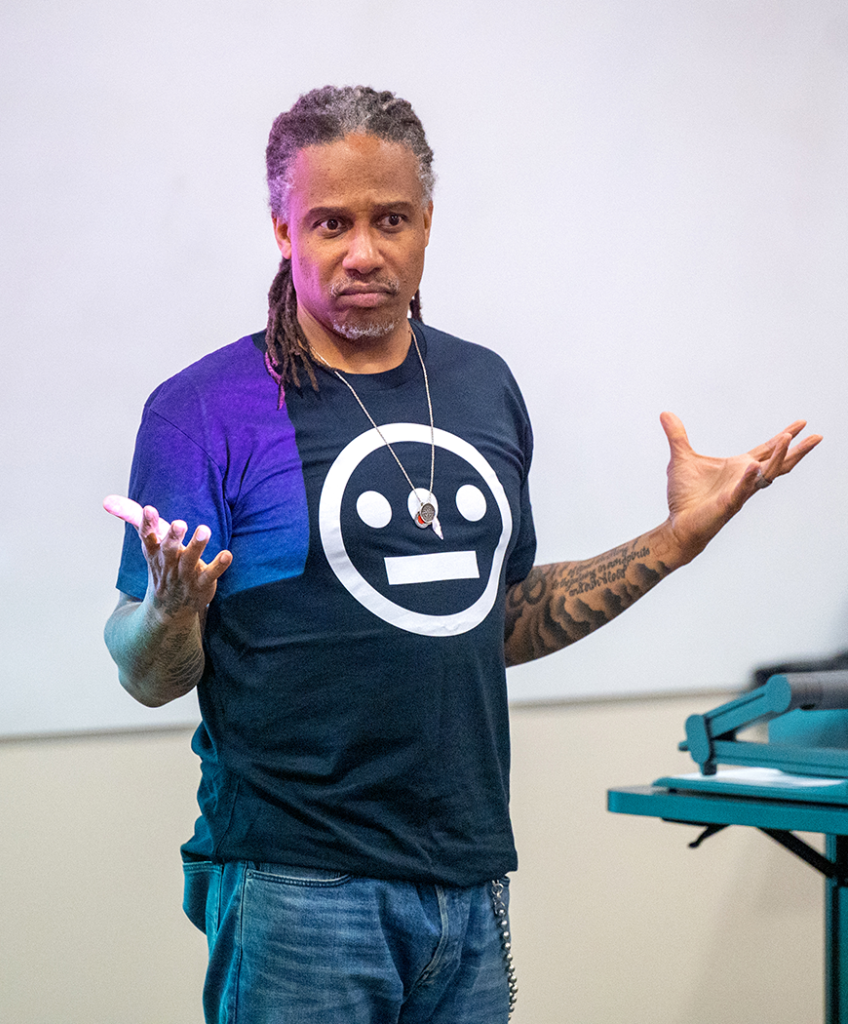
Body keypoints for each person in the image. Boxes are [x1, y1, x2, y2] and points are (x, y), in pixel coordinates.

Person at [103, 85, 821, 1024]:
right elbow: (146, 676)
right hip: (295, 883)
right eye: (329, 223)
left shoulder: (481, 386)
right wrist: (170, 608)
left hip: (469, 878)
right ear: (283, 230)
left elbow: (498, 617)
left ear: (427, 223)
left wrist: (674, 543)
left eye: (389, 219)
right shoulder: (208, 408)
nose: (362, 251)